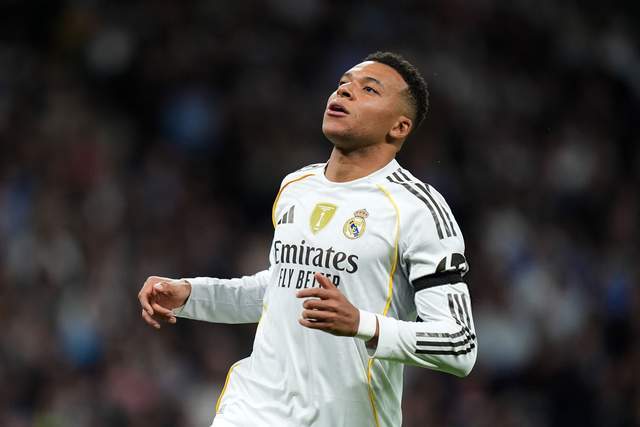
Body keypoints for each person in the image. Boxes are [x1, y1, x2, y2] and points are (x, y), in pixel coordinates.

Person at [138, 51, 477, 427]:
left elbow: (458, 344)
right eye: (343, 83)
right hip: (254, 409)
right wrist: (192, 294)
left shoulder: (417, 209)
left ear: (399, 127)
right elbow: (281, 292)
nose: (345, 91)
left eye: (369, 89)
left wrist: (362, 323)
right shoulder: (296, 186)